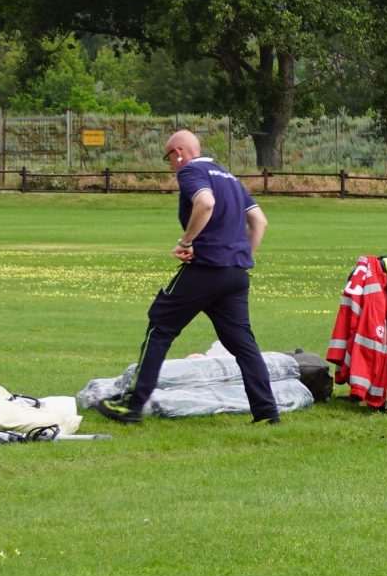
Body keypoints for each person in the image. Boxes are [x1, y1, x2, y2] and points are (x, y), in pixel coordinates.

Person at [96, 130, 278, 424]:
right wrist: (242, 258)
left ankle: (131, 406)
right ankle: (267, 413)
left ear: (179, 152)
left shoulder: (192, 171)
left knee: (160, 328)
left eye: (169, 158)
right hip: (235, 275)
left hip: (204, 270)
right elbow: (259, 220)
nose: (170, 165)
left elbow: (205, 203)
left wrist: (186, 242)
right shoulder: (229, 177)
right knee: (243, 343)